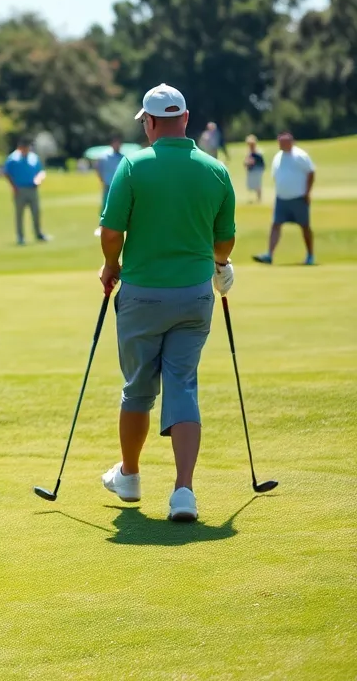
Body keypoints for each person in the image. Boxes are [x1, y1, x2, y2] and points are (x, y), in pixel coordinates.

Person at [98, 83, 236, 524]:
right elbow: (225, 237)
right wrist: (221, 264)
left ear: (151, 122)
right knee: (183, 385)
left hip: (141, 295)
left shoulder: (133, 166)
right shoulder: (216, 170)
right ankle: (183, 492)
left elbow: (111, 230)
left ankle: (131, 476)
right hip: (195, 296)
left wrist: (109, 265)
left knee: (138, 387)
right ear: (187, 119)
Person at [253, 131, 315, 266]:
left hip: (299, 197)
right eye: (279, 142)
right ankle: (269, 255)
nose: (280, 144)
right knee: (276, 225)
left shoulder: (300, 156)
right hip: (282, 198)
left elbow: (311, 172)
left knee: (305, 226)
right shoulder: (278, 157)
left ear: (290, 142)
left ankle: (310, 255)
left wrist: (307, 192)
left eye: (283, 142)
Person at [2, 137, 49, 244]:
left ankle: (38, 234)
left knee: (36, 212)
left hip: (32, 188)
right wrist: (13, 186)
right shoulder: (12, 158)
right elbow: (6, 173)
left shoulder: (34, 157)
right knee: (19, 214)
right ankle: (20, 237)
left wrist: (39, 179)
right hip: (19, 189)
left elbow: (41, 171)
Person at [95, 134, 125, 237]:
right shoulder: (104, 156)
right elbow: (98, 168)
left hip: (119, 186)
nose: (118, 145)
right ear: (112, 144)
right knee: (105, 207)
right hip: (108, 185)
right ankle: (102, 228)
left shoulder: (123, 157)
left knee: (119, 206)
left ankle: (118, 227)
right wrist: (102, 180)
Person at [243, 135, 265, 203]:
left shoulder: (258, 153)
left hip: (257, 170)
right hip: (251, 170)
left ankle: (259, 198)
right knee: (252, 185)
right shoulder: (249, 152)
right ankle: (256, 199)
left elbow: (261, 163)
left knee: (257, 185)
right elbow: (246, 162)